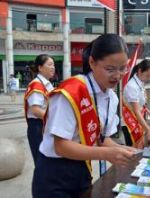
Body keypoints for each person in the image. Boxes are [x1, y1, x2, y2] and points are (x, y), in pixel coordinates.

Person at [32, 34, 137, 197]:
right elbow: (61, 146)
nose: (117, 75)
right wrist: (107, 154)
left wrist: (125, 150)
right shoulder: (71, 92)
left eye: (123, 68)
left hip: (82, 169)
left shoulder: (112, 97)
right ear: (92, 63)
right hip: (55, 174)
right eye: (110, 69)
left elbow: (101, 139)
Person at [24, 54, 55, 165]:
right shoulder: (36, 85)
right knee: (42, 162)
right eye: (50, 64)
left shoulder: (47, 84)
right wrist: (54, 118)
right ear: (40, 68)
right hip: (38, 127)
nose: (53, 67)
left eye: (54, 65)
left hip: (46, 125)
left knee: (49, 162)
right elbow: (35, 110)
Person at [122, 59, 150, 148]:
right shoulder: (132, 86)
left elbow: (139, 102)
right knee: (133, 149)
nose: (148, 79)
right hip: (130, 123)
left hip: (137, 119)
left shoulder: (140, 82)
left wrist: (146, 109)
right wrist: (148, 130)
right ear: (140, 71)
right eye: (147, 76)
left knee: (139, 148)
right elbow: (136, 111)